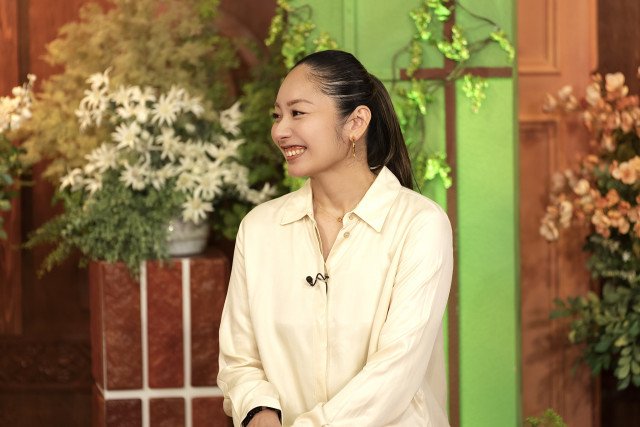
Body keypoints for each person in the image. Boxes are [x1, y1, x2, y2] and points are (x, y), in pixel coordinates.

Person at [217, 50, 453, 427]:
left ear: (355, 122)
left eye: (297, 113)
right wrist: (259, 410)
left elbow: (396, 372)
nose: (280, 130)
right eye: (277, 116)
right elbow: (239, 360)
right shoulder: (259, 229)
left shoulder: (420, 225)